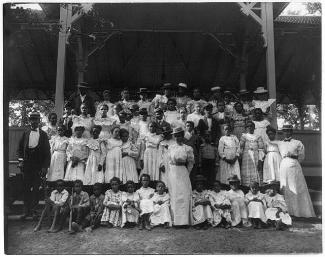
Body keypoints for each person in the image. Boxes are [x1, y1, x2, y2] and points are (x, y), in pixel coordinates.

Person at [17, 111, 51, 220]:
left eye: (36, 119)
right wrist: (21, 161)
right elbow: (19, 149)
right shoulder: (25, 133)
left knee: (36, 189)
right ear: (29, 121)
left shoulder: (44, 135)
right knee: (26, 188)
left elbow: (47, 153)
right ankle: (26, 211)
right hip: (27, 165)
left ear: (39, 121)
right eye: (32, 119)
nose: (34, 122)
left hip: (38, 165)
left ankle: (35, 211)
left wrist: (45, 167)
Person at [278, 123, 315, 218]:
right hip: (283, 167)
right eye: (285, 131)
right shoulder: (280, 143)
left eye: (289, 131)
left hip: (294, 167)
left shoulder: (297, 143)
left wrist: (292, 156)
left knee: (295, 187)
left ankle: (298, 212)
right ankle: (287, 212)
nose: (287, 133)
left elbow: (302, 157)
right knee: (285, 188)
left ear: (292, 132)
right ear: (283, 132)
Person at [168, 127, 194, 226]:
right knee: (175, 194)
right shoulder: (171, 147)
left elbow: (191, 162)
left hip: (183, 171)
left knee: (184, 194)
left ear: (183, 136)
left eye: (180, 135)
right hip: (173, 172)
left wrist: (187, 172)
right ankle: (175, 221)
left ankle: (184, 221)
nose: (178, 137)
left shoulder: (187, 148)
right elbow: (169, 161)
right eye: (176, 136)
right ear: (174, 137)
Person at [240, 121, 264, 187]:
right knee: (247, 171)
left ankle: (256, 187)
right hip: (247, 157)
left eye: (251, 126)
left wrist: (260, 160)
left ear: (254, 127)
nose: (250, 127)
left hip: (256, 156)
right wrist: (240, 157)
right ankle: (247, 187)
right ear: (246, 128)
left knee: (256, 170)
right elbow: (241, 148)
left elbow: (261, 149)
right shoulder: (244, 136)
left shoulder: (258, 136)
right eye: (248, 126)